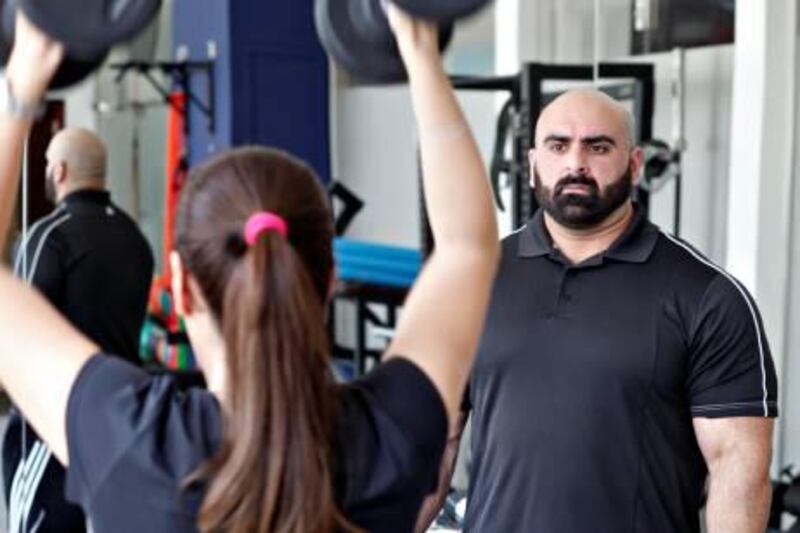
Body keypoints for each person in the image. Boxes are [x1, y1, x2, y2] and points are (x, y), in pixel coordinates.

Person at [0, 6, 498, 533]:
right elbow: (467, 247)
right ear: (328, 281)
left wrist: (27, 69)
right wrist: (417, 46)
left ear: (182, 288)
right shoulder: (385, 438)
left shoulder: (134, 442)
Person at [418, 89, 778, 533]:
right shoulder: (473, 281)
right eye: (558, 145)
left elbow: (737, 471)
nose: (575, 164)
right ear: (533, 163)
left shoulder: (707, 296)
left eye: (598, 146)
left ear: (635, 164)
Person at [3, 127, 155, 533]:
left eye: (49, 163)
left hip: (53, 425)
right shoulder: (136, 240)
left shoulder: (48, 235)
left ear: (61, 170)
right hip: (122, 423)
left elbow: (15, 332)